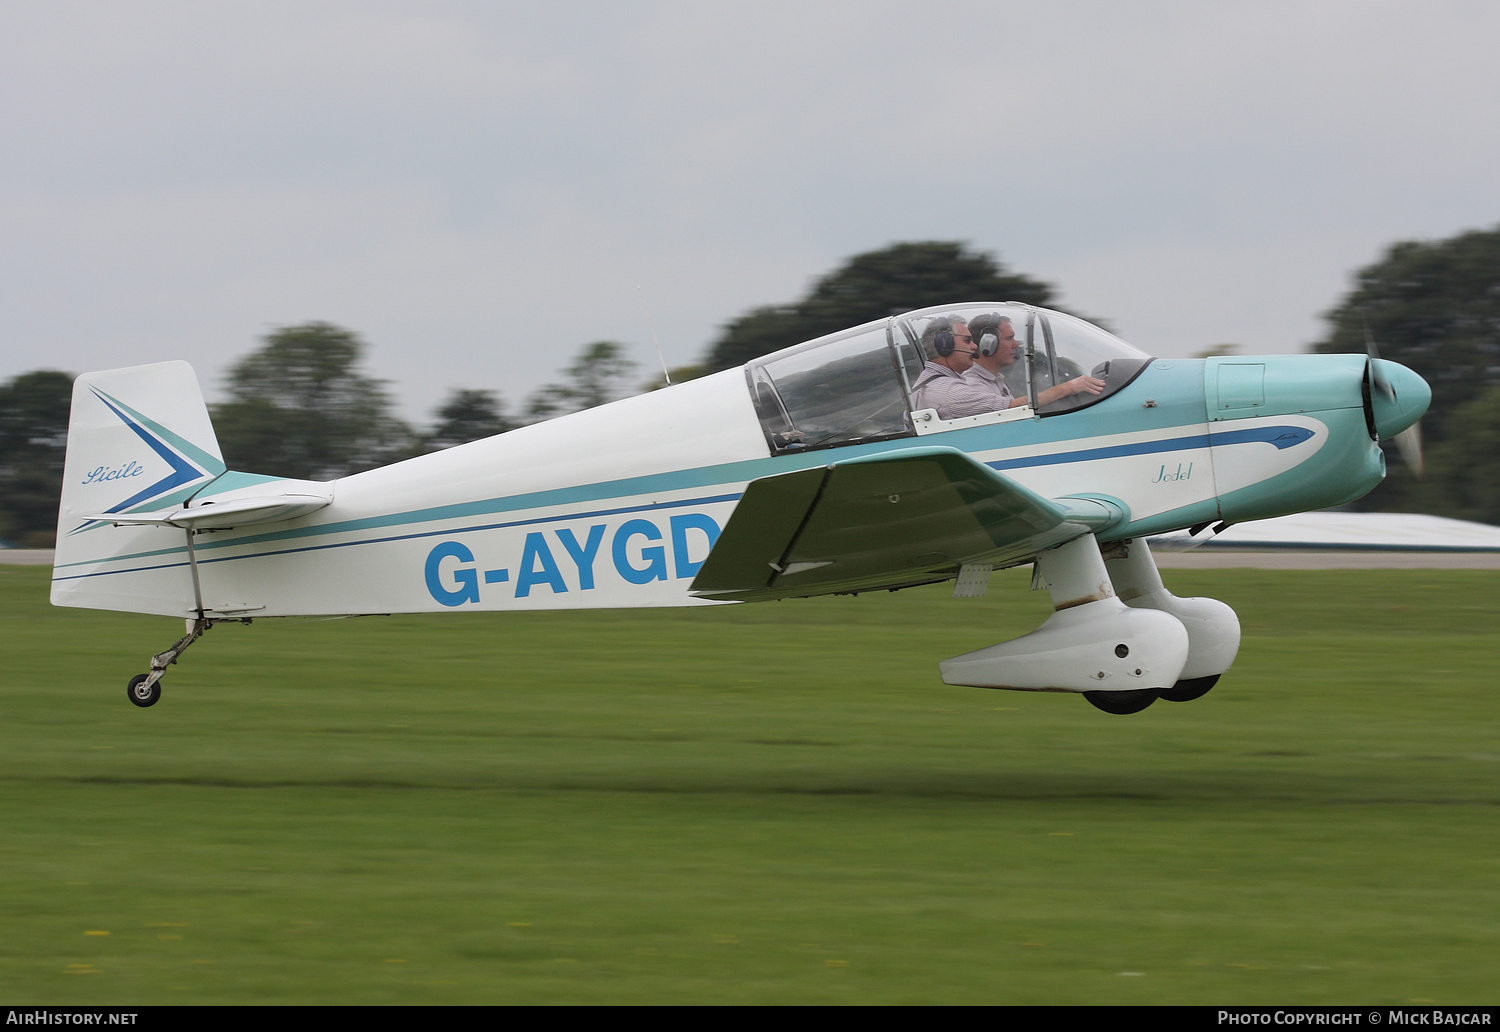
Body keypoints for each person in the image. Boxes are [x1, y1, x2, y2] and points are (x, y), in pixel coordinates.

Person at [964, 313, 1105, 410]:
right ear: (988, 344)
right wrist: (1068, 388)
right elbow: (1011, 409)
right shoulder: (973, 385)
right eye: (1009, 338)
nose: (1015, 344)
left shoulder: (994, 380)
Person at [908, 317, 1001, 419]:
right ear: (945, 345)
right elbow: (1012, 408)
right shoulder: (950, 392)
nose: (974, 346)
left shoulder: (929, 381)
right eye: (967, 341)